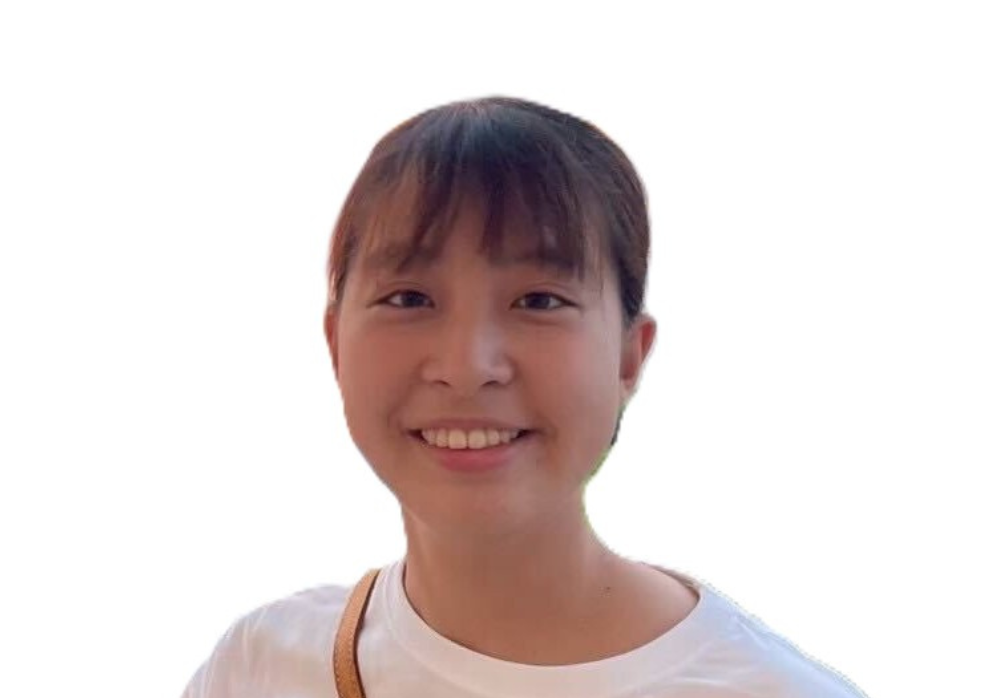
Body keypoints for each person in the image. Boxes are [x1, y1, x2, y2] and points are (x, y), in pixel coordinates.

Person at [182, 96, 869, 697]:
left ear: (629, 356)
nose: (467, 367)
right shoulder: (259, 667)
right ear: (336, 344)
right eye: (409, 298)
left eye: (539, 300)